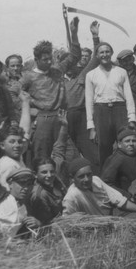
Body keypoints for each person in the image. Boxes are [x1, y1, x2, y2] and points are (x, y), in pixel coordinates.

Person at [20, 14, 82, 163]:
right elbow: (13, 94)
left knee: (68, 156)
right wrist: (29, 109)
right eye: (45, 59)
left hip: (61, 119)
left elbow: (75, 55)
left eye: (50, 59)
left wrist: (74, 34)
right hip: (43, 121)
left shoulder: (57, 70)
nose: (49, 62)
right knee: (42, 158)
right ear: (36, 60)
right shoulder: (28, 77)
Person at [84, 40, 136, 164]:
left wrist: (132, 118)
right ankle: (106, 174)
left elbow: (129, 96)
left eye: (107, 52)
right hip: (101, 111)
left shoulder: (121, 72)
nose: (105, 55)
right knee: (104, 147)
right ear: (97, 55)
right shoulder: (91, 74)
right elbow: (89, 101)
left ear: (112, 53)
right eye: (101, 52)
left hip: (120, 110)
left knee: (125, 143)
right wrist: (91, 126)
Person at [62, 20, 101, 171]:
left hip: (80, 117)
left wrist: (95, 37)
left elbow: (96, 58)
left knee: (92, 153)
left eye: (71, 63)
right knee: (67, 155)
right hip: (63, 119)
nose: (69, 66)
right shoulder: (54, 80)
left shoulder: (81, 77)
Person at [62, 157, 136, 217]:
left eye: (89, 174)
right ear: (72, 178)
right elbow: (67, 222)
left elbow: (121, 201)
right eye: (81, 176)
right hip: (99, 224)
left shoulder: (96, 180)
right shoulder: (71, 197)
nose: (86, 179)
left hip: (114, 214)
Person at [100, 126, 136, 199]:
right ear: (119, 144)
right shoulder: (117, 159)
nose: (131, 144)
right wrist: (126, 195)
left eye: (134, 141)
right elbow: (105, 183)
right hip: (124, 198)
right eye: (127, 141)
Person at [4, 54, 24, 121]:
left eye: (18, 66)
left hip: (26, 114)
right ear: (7, 67)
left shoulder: (26, 79)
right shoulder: (2, 81)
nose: (15, 68)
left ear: (21, 66)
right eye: (12, 66)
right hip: (9, 116)